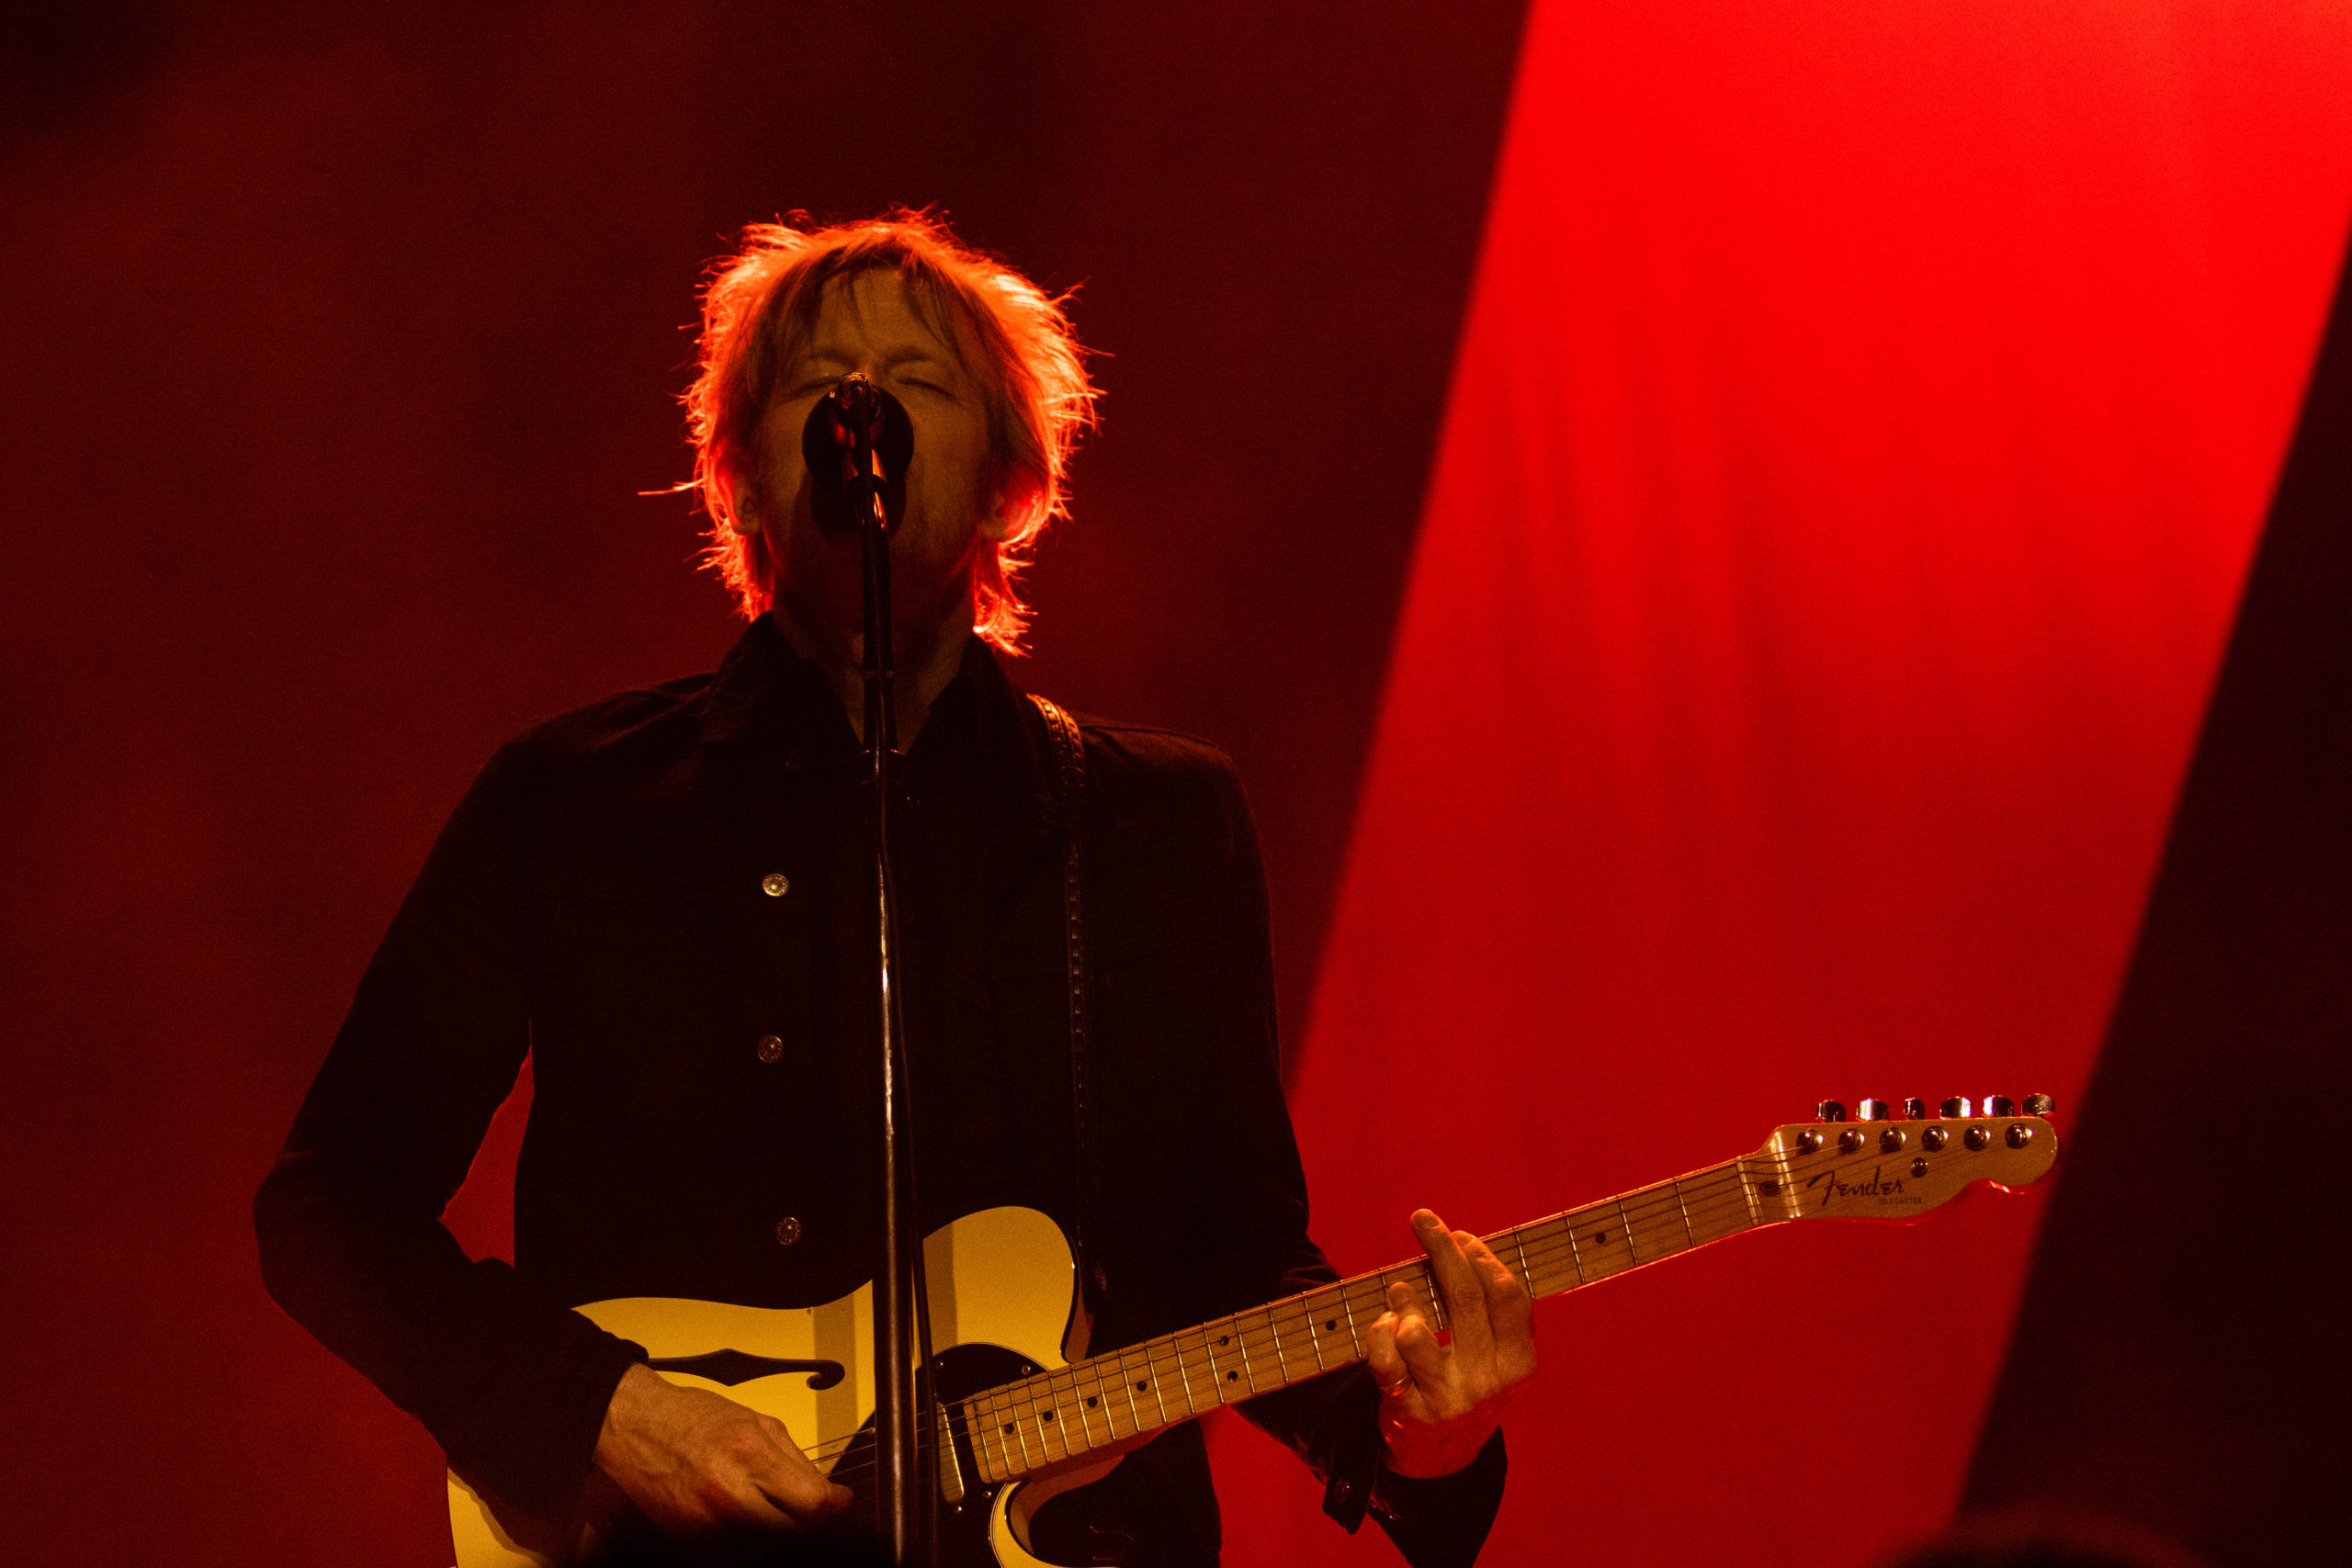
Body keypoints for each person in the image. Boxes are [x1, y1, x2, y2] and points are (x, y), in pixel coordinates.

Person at [254, 210, 1533, 1567]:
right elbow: (330, 1201)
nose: (862, 406)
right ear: (741, 476)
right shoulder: (571, 801)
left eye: (919, 382)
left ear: (1008, 480)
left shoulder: (1156, 821)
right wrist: (598, 1413)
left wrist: (1416, 1431)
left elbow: (1233, 1255)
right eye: (819, 384)